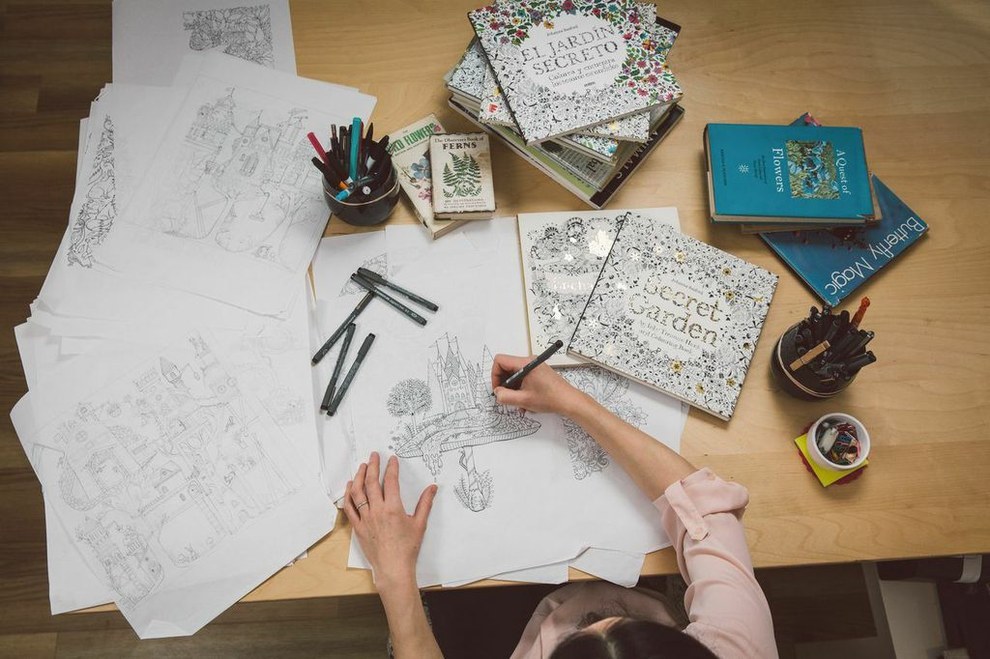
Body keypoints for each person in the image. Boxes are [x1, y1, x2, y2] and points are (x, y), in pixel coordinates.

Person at [343, 353, 778, 659]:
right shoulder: (739, 650)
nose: (597, 618)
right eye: (623, 628)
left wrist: (395, 574)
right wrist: (572, 403)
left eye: (584, 636)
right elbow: (705, 511)